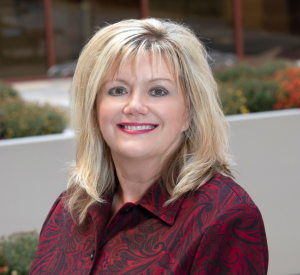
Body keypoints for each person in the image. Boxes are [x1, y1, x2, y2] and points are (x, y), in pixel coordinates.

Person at [30, 18, 268, 274]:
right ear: (94, 108)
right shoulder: (72, 205)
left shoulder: (225, 216)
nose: (134, 106)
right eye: (117, 90)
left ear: (189, 111)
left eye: (158, 91)